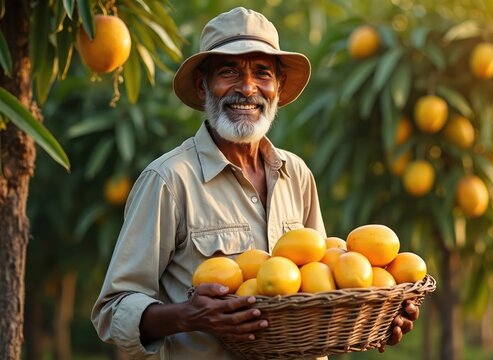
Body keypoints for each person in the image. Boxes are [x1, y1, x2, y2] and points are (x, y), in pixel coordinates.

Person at [92, 7, 418, 359]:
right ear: (203, 87)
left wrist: (375, 317)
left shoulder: (297, 174)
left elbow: (325, 285)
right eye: (229, 71)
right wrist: (189, 316)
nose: (247, 88)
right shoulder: (170, 180)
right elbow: (113, 310)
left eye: (262, 73)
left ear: (277, 87)